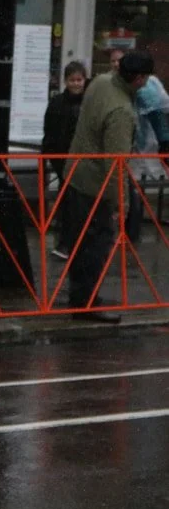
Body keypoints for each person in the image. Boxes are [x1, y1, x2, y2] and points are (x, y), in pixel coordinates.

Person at [64, 50, 152, 323]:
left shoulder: (100, 82)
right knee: (96, 245)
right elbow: (116, 164)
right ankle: (86, 304)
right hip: (95, 185)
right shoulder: (121, 111)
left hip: (75, 173)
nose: (147, 83)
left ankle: (80, 299)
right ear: (138, 79)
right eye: (146, 78)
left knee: (80, 242)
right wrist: (121, 203)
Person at [41, 61, 89, 260]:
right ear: (65, 81)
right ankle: (66, 243)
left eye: (79, 80)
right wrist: (50, 154)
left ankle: (77, 244)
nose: (76, 84)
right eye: (72, 80)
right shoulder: (57, 102)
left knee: (81, 204)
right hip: (63, 159)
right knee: (68, 204)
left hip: (83, 161)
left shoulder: (89, 102)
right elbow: (50, 129)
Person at [126, 72, 169, 242]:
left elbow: (159, 121)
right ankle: (131, 231)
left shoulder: (149, 87)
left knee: (134, 188)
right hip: (135, 147)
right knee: (133, 187)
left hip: (144, 146)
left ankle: (132, 232)